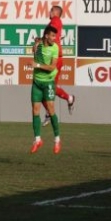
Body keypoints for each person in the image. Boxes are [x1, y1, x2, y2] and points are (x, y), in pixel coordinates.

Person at [30, 25, 62, 154]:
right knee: (35, 110)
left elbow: (52, 67)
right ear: (46, 36)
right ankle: (37, 140)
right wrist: (35, 44)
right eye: (52, 36)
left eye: (55, 36)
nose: (54, 38)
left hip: (48, 82)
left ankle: (57, 139)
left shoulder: (55, 48)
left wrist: (36, 64)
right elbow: (34, 50)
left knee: (51, 109)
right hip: (36, 82)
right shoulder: (39, 44)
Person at [42, 5, 75, 127]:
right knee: (47, 87)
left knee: (45, 87)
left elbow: (51, 35)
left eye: (50, 11)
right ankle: (69, 98)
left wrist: (43, 41)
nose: (49, 13)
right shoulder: (55, 22)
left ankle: (49, 113)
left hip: (54, 59)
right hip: (52, 58)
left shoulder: (55, 20)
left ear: (54, 12)